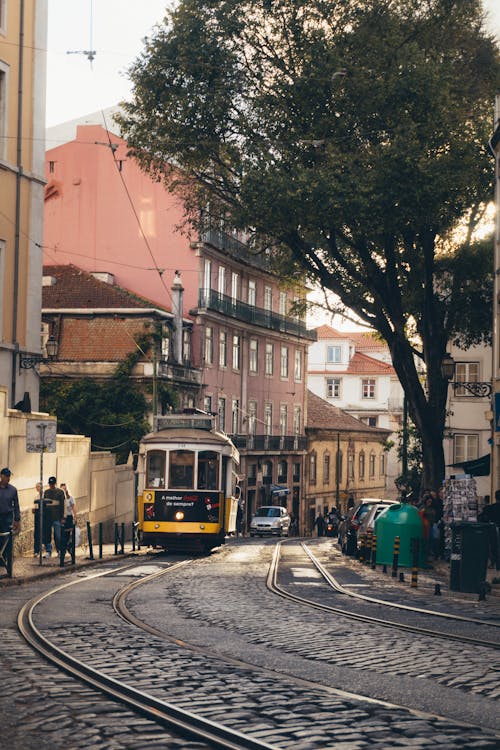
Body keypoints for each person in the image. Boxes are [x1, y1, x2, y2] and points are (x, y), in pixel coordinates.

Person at [0, 468, 21, 567]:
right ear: (2, 476)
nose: (8, 478)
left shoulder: (13, 490)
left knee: (6, 539)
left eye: (9, 476)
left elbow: (16, 505)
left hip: (7, 517)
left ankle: (5, 560)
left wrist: (17, 519)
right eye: (6, 476)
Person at [43, 476, 65, 555]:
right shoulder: (46, 492)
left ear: (55, 483)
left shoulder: (60, 492)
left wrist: (62, 517)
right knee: (47, 535)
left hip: (57, 517)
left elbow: (63, 505)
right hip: (48, 517)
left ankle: (59, 550)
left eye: (52, 484)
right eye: (50, 484)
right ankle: (48, 551)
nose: (51, 485)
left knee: (58, 535)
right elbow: (44, 505)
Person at [32, 481, 52, 557]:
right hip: (38, 518)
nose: (37, 488)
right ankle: (36, 551)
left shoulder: (46, 495)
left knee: (46, 534)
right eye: (36, 487)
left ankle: (48, 551)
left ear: (42, 487)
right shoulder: (36, 497)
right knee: (37, 535)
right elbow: (34, 508)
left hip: (46, 518)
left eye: (38, 487)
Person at [59, 483, 77, 558]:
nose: (64, 490)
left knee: (69, 534)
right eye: (62, 489)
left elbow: (73, 508)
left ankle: (68, 548)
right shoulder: (60, 499)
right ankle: (65, 549)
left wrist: (75, 517)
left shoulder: (70, 498)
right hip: (62, 518)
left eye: (65, 489)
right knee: (63, 535)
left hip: (69, 517)